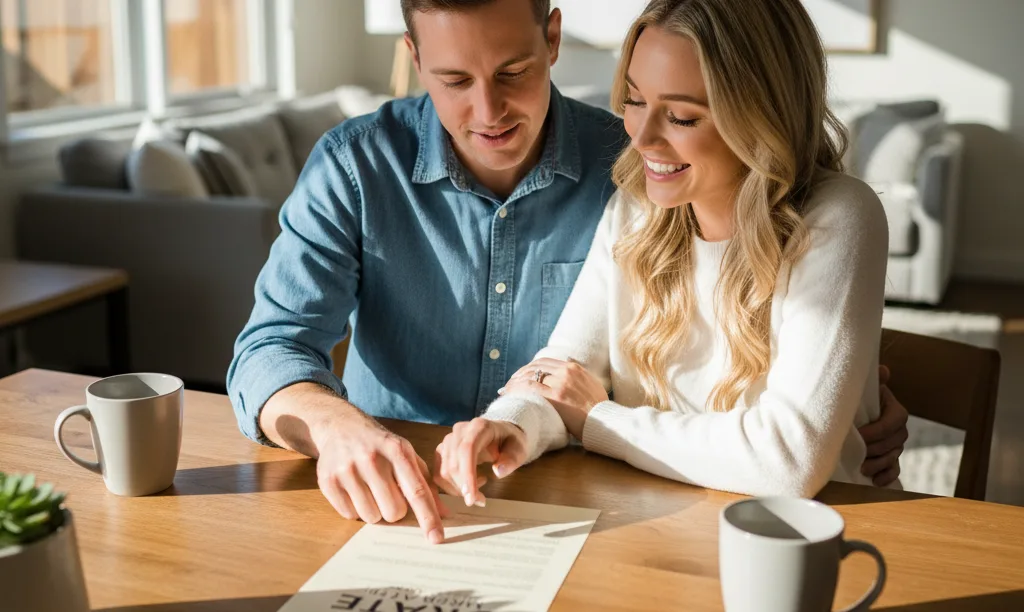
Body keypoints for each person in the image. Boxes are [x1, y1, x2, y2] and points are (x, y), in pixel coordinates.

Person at [227, 0, 908, 544]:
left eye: (514, 71)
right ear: (414, 59)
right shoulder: (357, 164)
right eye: (455, 81)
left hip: (708, 518)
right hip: (433, 500)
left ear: (552, 38)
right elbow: (266, 351)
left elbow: (787, 446)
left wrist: (843, 401)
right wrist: (340, 425)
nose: (488, 112)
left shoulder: (631, 165)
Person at [435, 0, 905, 506]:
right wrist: (508, 425)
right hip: (672, 516)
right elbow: (566, 369)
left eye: (681, 117)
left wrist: (598, 420)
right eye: (635, 100)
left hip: (818, 537)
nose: (641, 137)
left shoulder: (840, 216)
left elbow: (787, 463)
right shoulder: (635, 210)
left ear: (761, 114)